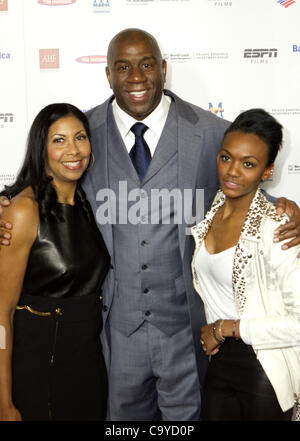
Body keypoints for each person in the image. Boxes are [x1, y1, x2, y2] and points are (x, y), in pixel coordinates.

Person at [0, 29, 300, 421]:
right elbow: (45, 187)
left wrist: (285, 207)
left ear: (163, 68)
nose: (136, 77)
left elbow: (242, 176)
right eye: (122, 67)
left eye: (146, 64)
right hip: (112, 334)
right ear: (108, 75)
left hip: (186, 330)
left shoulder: (210, 133)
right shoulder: (83, 135)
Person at [0, 103, 110, 421]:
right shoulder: (23, 210)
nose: (72, 150)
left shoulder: (86, 203)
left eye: (80, 137)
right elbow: (2, 314)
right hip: (38, 373)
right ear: (42, 148)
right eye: (59, 140)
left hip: (86, 369)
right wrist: (4, 402)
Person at [191, 109, 300, 421]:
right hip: (219, 365)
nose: (232, 171)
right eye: (226, 158)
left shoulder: (277, 226)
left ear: (267, 171)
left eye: (248, 164)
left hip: (263, 369)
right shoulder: (211, 210)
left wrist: (227, 329)